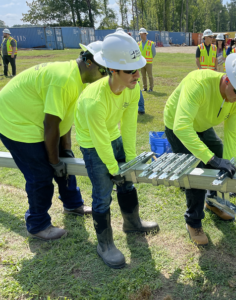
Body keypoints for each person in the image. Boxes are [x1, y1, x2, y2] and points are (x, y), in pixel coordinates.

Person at [0, 43, 107, 240]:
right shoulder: (64, 80)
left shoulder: (80, 78)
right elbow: (50, 125)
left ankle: (73, 204)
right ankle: (37, 224)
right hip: (15, 121)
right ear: (89, 62)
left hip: (36, 119)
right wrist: (54, 161)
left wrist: (64, 150)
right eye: (104, 71)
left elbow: (65, 116)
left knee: (65, 160)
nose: (106, 76)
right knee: (40, 173)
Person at [75, 31, 159, 269]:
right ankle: (105, 245)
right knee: (103, 193)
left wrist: (129, 163)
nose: (136, 75)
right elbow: (99, 140)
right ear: (113, 70)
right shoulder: (94, 100)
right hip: (93, 143)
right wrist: (113, 168)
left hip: (112, 135)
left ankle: (132, 223)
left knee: (127, 182)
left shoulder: (132, 89)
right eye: (130, 71)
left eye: (137, 69)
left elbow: (130, 126)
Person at [164, 54, 236, 247]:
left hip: (202, 125)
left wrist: (227, 164)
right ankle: (193, 221)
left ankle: (213, 200)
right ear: (227, 79)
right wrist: (211, 160)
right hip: (178, 125)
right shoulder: (198, 84)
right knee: (196, 171)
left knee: (220, 154)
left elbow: (232, 135)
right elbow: (182, 127)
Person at [138, 27, 156, 92]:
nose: (141, 36)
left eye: (142, 34)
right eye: (140, 34)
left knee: (150, 76)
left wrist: (150, 59)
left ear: (145, 34)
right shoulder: (138, 44)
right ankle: (145, 87)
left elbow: (154, 53)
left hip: (148, 63)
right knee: (143, 76)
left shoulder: (150, 43)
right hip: (142, 63)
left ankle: (151, 88)